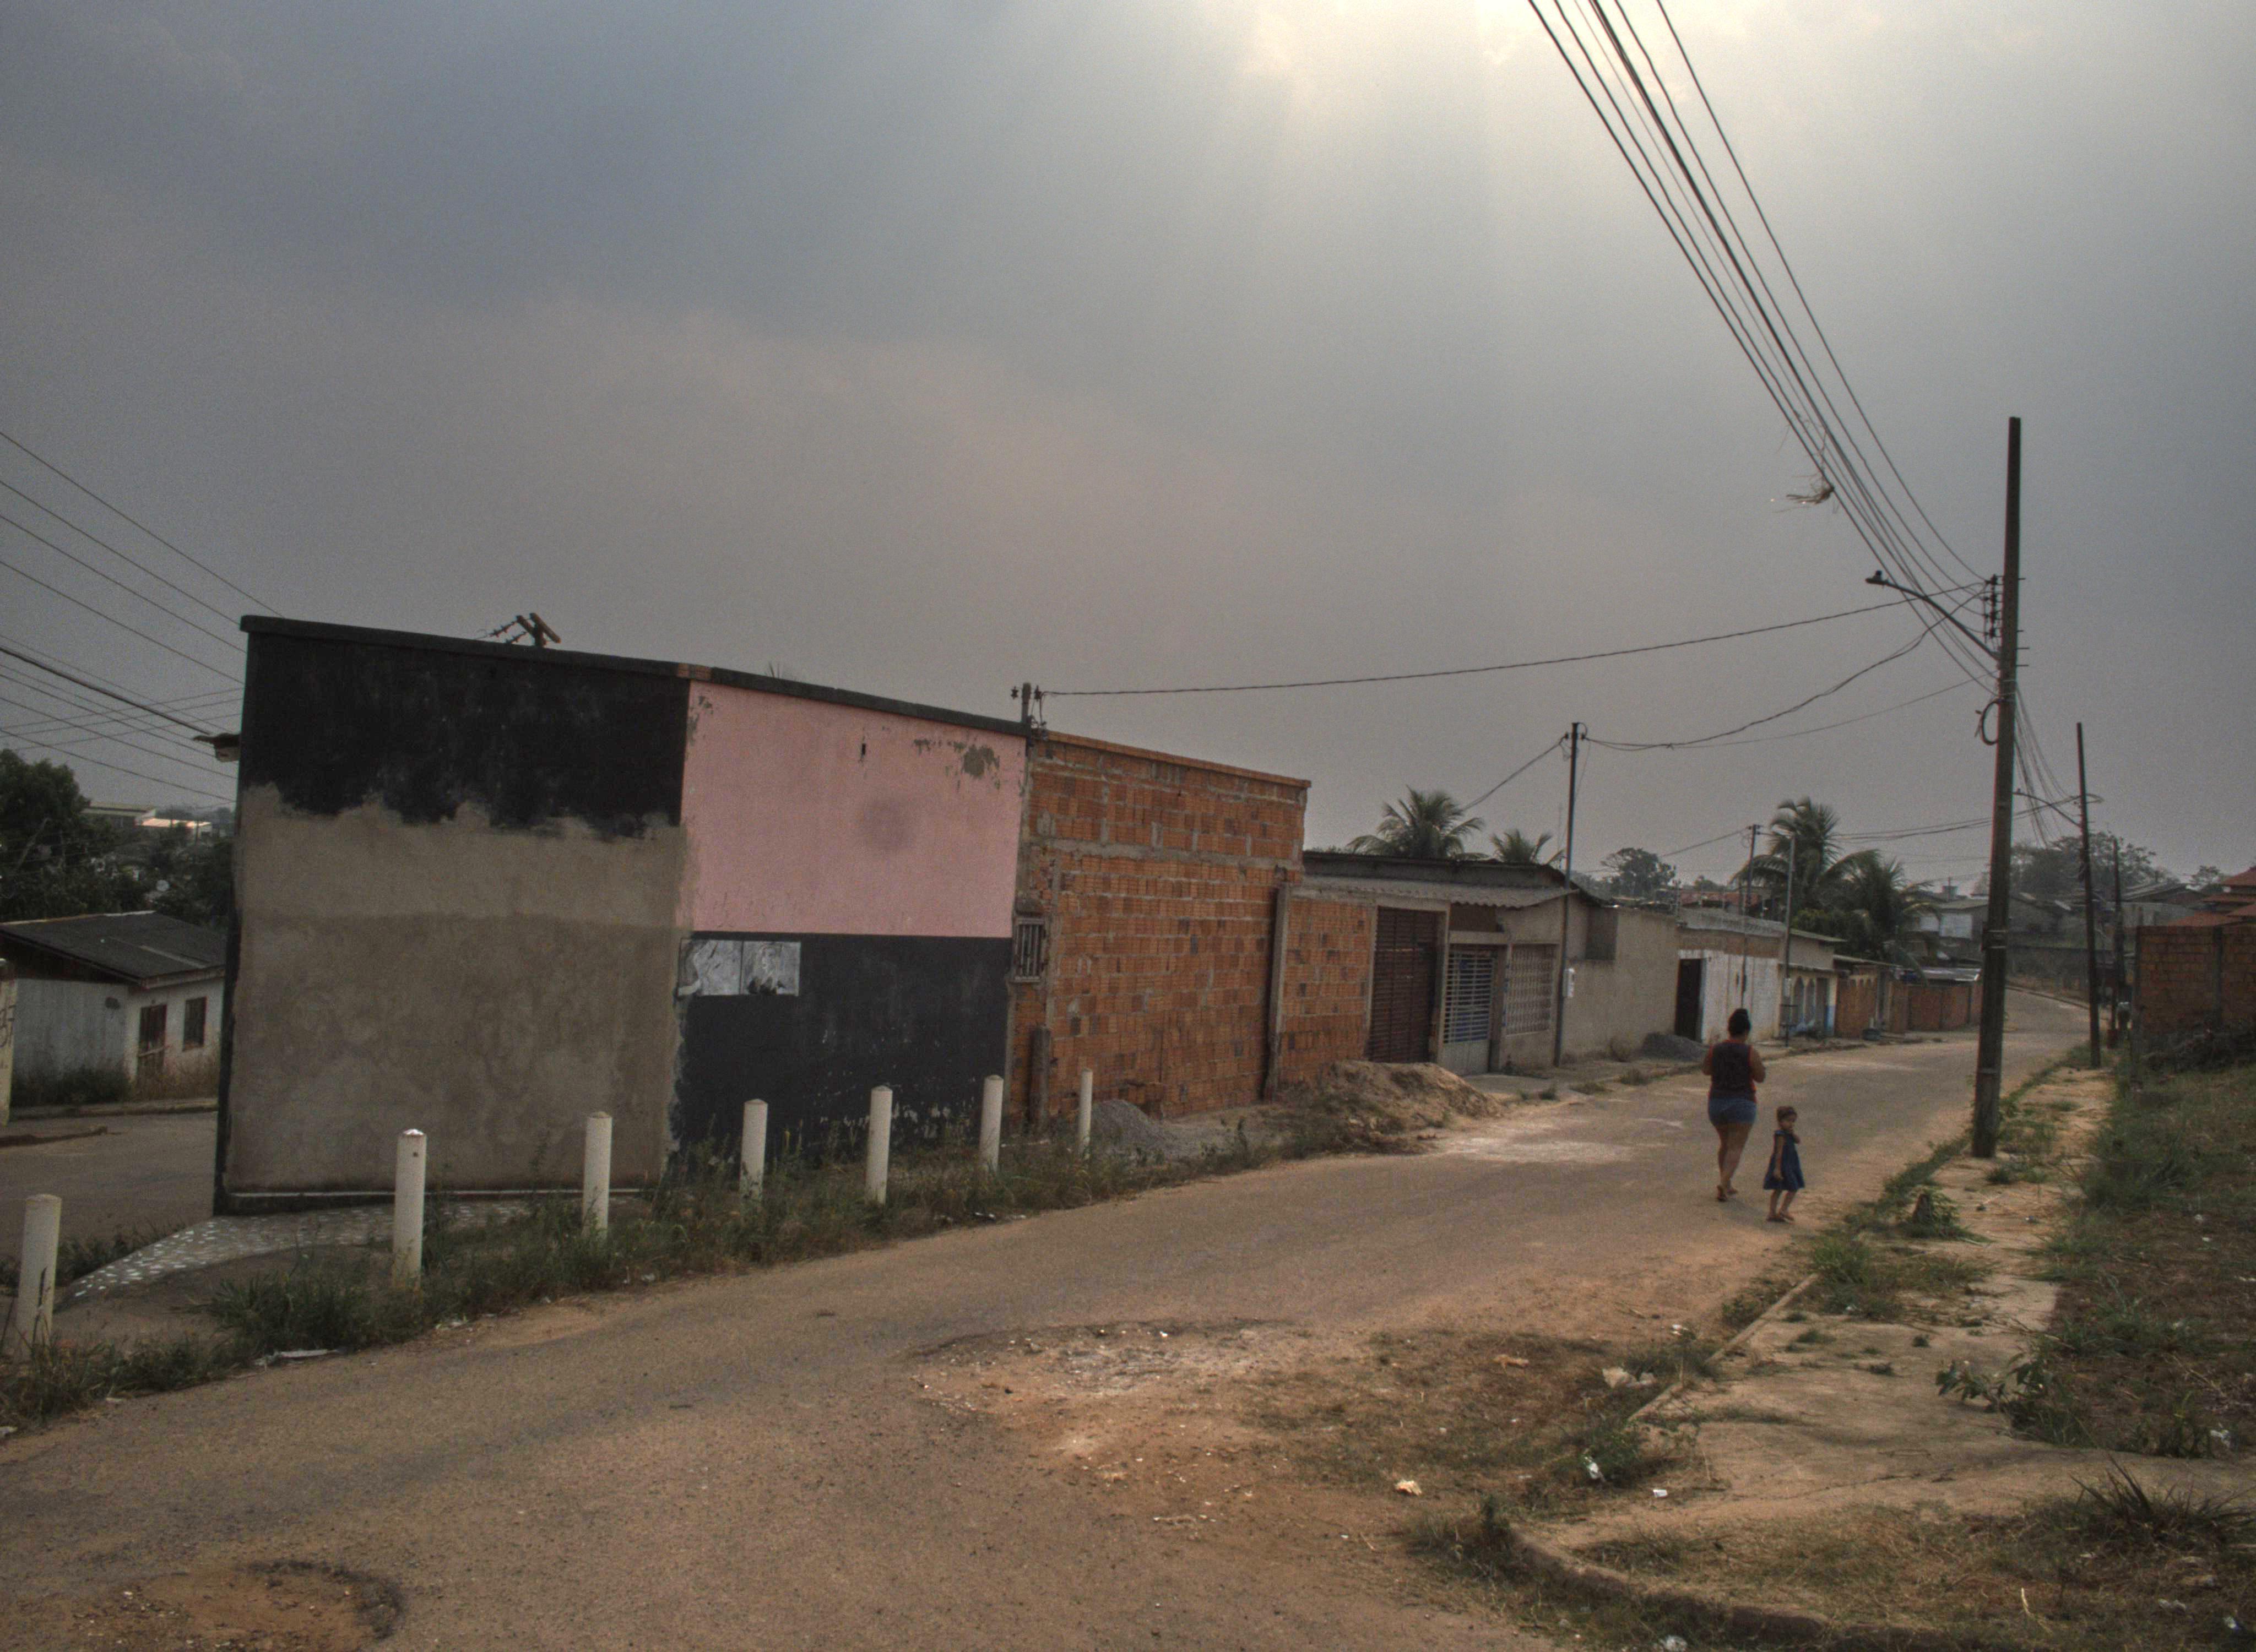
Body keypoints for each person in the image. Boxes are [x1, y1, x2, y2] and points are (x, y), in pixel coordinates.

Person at [1701, 1007, 1766, 1202]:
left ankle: (1727, 1183)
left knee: (1725, 1144)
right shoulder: (1750, 1052)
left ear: (1729, 1030)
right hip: (1742, 1103)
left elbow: (1706, 1070)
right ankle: (1723, 1184)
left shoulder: (1715, 1049)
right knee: (1736, 1147)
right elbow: (1760, 1077)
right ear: (1746, 1032)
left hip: (1717, 1102)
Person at [1762, 1105, 1805, 1223]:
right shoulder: (1780, 1135)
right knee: (1788, 1188)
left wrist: (1793, 1134)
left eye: (1793, 1121)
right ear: (1780, 1121)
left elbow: (1798, 1141)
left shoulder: (1789, 1133)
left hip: (1791, 1163)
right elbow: (1779, 1152)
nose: (1791, 1124)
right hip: (1783, 1165)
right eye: (1788, 1121)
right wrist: (1777, 1169)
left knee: (1783, 1188)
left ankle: (1775, 1212)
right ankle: (1782, 1210)